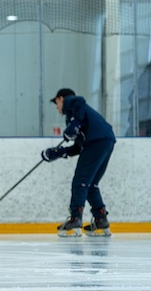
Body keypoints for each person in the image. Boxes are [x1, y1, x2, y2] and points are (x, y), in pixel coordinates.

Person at [42, 88, 116, 237]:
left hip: (96, 142)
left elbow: (78, 100)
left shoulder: (73, 105)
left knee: (80, 182)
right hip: (105, 141)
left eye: (56, 102)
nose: (57, 107)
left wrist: (73, 125)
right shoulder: (78, 116)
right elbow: (78, 147)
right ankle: (101, 219)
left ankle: (75, 218)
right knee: (91, 184)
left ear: (61, 99)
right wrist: (58, 152)